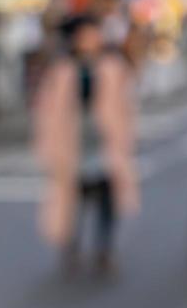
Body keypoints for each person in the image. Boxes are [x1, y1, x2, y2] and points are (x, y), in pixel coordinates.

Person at [34, 15, 141, 275]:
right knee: (73, 197)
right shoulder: (63, 69)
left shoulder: (112, 66)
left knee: (107, 196)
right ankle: (71, 246)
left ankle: (104, 248)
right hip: (73, 141)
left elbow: (125, 105)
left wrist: (126, 136)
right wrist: (46, 145)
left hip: (104, 140)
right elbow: (47, 109)